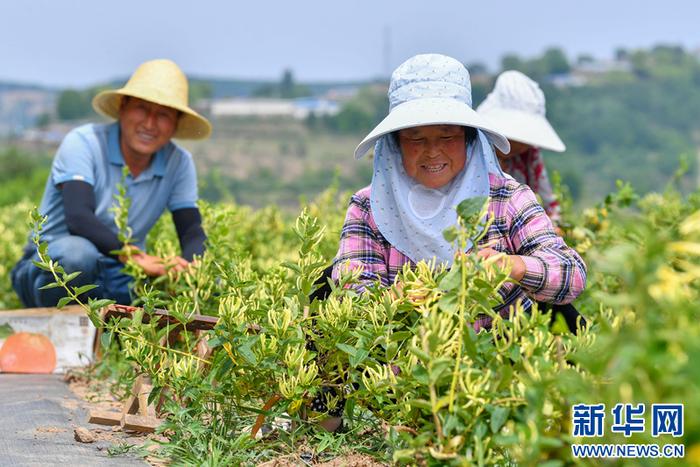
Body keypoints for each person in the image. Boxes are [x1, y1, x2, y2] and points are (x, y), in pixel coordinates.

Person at [331, 54, 587, 330]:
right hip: (403, 368)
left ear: (468, 139)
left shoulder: (507, 199)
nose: (432, 151)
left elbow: (570, 272)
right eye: (415, 137)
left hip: (499, 363)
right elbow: (352, 296)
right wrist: (397, 298)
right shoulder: (369, 208)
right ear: (396, 144)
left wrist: (514, 267)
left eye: (447, 135)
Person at [11, 59, 212, 307]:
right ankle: (64, 332)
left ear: (175, 124)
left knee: (182, 290)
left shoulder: (178, 162)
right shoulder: (84, 143)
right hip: (50, 269)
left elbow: (191, 229)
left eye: (163, 115)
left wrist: (192, 269)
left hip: (117, 270)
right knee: (77, 256)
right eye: (142, 109)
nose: (150, 123)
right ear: (122, 107)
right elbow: (79, 217)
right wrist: (134, 256)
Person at [476, 70, 565, 229]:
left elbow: (549, 203)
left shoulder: (529, 155)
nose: (521, 145)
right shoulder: (471, 153)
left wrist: (553, 225)